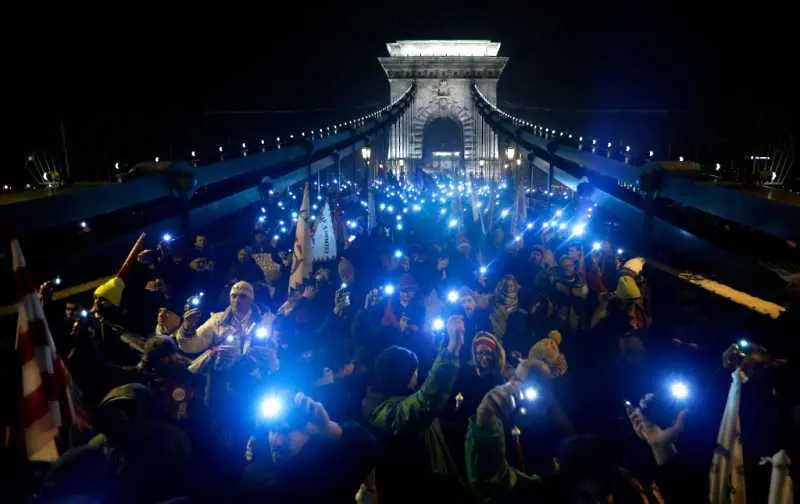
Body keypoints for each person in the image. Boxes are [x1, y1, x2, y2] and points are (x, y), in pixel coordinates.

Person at [362, 327, 468, 504]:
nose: (417, 376)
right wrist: (450, 352)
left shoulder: (401, 397)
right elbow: (427, 400)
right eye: (414, 371)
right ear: (401, 374)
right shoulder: (385, 412)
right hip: (415, 493)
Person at [238, 392, 379, 504]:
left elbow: (371, 448)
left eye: (287, 432)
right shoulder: (257, 475)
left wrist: (330, 428)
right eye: (273, 430)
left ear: (310, 431)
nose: (277, 441)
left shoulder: (329, 471)